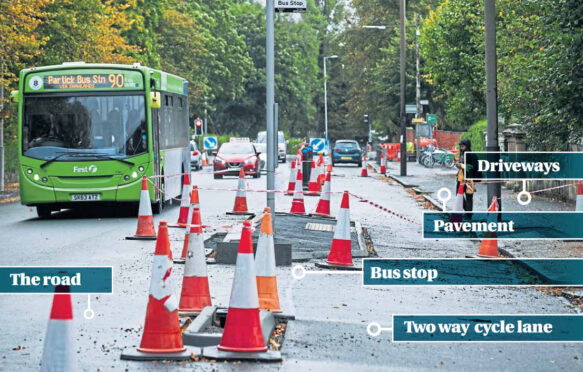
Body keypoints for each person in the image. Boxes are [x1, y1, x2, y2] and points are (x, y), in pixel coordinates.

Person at [456, 139, 479, 212]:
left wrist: (462, 165)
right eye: (461, 147)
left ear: (467, 146)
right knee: (458, 195)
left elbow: (474, 167)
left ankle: (469, 214)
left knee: (469, 196)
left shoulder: (472, 155)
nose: (461, 148)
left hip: (469, 179)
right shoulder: (461, 154)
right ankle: (467, 211)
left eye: (463, 147)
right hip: (460, 179)